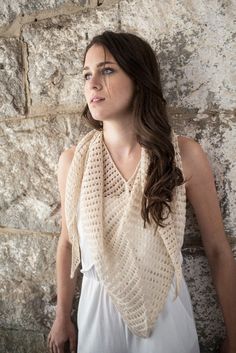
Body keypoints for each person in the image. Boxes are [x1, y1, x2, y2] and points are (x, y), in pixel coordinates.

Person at [47, 31, 236, 353]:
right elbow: (68, 243)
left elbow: (218, 249)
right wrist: (62, 316)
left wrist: (234, 336)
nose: (92, 83)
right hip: (96, 312)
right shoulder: (72, 162)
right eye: (86, 74)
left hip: (165, 312)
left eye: (107, 70)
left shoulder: (182, 154)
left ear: (139, 77)